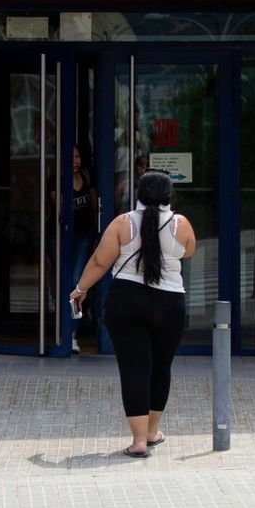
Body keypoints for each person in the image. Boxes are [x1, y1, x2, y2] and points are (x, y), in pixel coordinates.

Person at [69, 170, 197, 457]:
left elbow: (100, 262)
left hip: (126, 302)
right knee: (161, 367)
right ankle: (152, 432)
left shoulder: (122, 224)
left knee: (134, 369)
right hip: (170, 304)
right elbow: (188, 252)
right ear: (168, 196)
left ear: (137, 194)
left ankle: (139, 442)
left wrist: (81, 288)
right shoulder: (181, 224)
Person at [68, 145, 97, 351]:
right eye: (71, 157)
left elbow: (95, 206)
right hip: (62, 236)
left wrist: (98, 233)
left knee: (77, 280)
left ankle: (72, 334)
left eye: (77, 156)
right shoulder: (57, 180)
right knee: (61, 282)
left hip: (85, 235)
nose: (75, 161)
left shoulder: (86, 176)